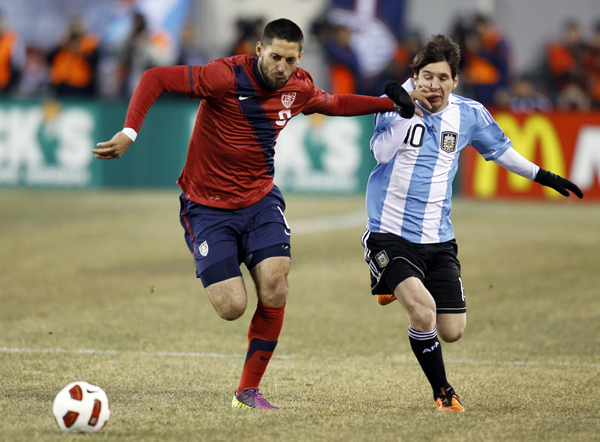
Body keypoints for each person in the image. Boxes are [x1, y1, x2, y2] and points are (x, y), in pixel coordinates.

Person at [94, 18, 408, 410]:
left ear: (300, 58)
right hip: (206, 207)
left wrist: (391, 104)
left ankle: (247, 391)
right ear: (260, 50)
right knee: (232, 307)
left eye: (290, 60)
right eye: (275, 56)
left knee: (276, 283)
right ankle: (218, 255)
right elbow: (156, 77)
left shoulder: (299, 87)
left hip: (259, 200)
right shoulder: (223, 77)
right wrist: (130, 131)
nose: (282, 67)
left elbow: (336, 103)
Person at [361, 34, 583, 412]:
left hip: (438, 237)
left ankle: (393, 286)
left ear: (455, 81)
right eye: (427, 76)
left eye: (443, 78)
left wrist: (544, 176)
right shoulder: (394, 104)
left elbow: (502, 152)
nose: (434, 85)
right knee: (423, 308)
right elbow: (380, 154)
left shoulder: (468, 114)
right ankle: (443, 393)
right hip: (389, 232)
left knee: (452, 332)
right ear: (415, 77)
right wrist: (403, 112)